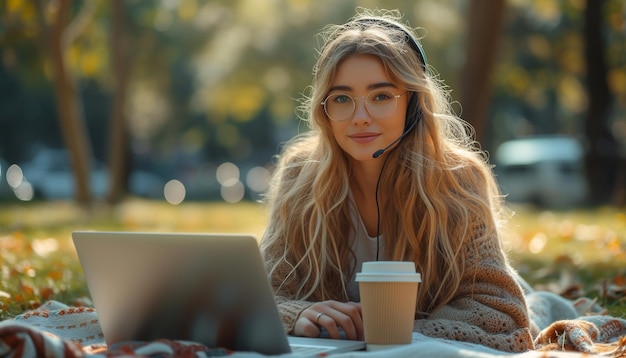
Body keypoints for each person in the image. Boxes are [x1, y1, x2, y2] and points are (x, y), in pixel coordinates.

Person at [259, 8, 534, 353]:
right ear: (324, 110)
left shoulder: (459, 179)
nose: (360, 118)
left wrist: (385, 332)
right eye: (342, 98)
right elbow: (267, 293)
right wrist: (297, 315)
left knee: (543, 304)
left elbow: (502, 313)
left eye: (381, 96)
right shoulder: (300, 174)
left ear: (415, 103)